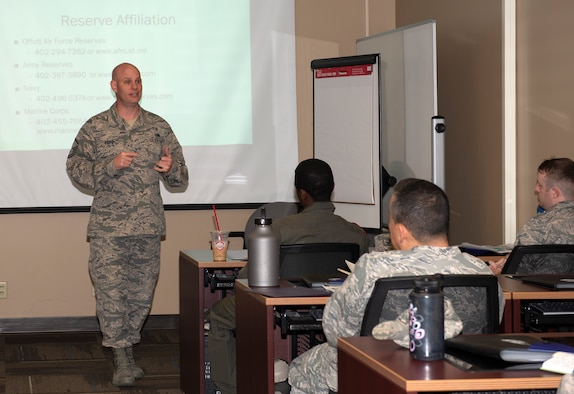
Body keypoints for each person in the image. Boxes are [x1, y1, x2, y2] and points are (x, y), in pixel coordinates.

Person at [287, 178, 505, 394]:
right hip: (457, 374)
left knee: (299, 369)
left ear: (401, 232)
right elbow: (492, 325)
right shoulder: (481, 270)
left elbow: (336, 334)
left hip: (380, 373)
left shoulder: (374, 267)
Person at [66, 63, 188, 387]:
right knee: (110, 293)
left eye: (138, 81)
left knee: (141, 293)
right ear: (113, 86)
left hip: (147, 225)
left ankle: (128, 346)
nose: (134, 87)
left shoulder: (158, 126)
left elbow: (181, 177)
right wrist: (109, 165)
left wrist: (170, 168)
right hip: (109, 227)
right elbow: (74, 166)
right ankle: (121, 357)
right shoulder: (96, 127)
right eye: (127, 82)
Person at [208, 158, 369, 394]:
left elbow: (247, 278)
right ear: (331, 189)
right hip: (333, 309)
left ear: (301, 194)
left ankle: (230, 388)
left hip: (276, 308)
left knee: (219, 315)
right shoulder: (356, 233)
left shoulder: (280, 229)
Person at [488, 157, 574, 275]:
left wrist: (498, 272)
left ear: (555, 192)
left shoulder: (538, 226)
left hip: (539, 292)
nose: (536, 189)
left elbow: (514, 274)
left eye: (540, 185)